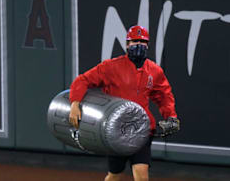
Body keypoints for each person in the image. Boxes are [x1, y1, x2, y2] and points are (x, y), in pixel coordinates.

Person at [69, 25, 180, 181]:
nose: (138, 45)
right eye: (134, 41)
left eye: (142, 42)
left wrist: (171, 116)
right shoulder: (111, 67)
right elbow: (83, 80)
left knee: (141, 174)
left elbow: (164, 95)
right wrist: (75, 103)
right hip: (116, 131)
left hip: (141, 129)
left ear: (147, 45)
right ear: (127, 44)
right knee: (115, 175)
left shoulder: (155, 71)